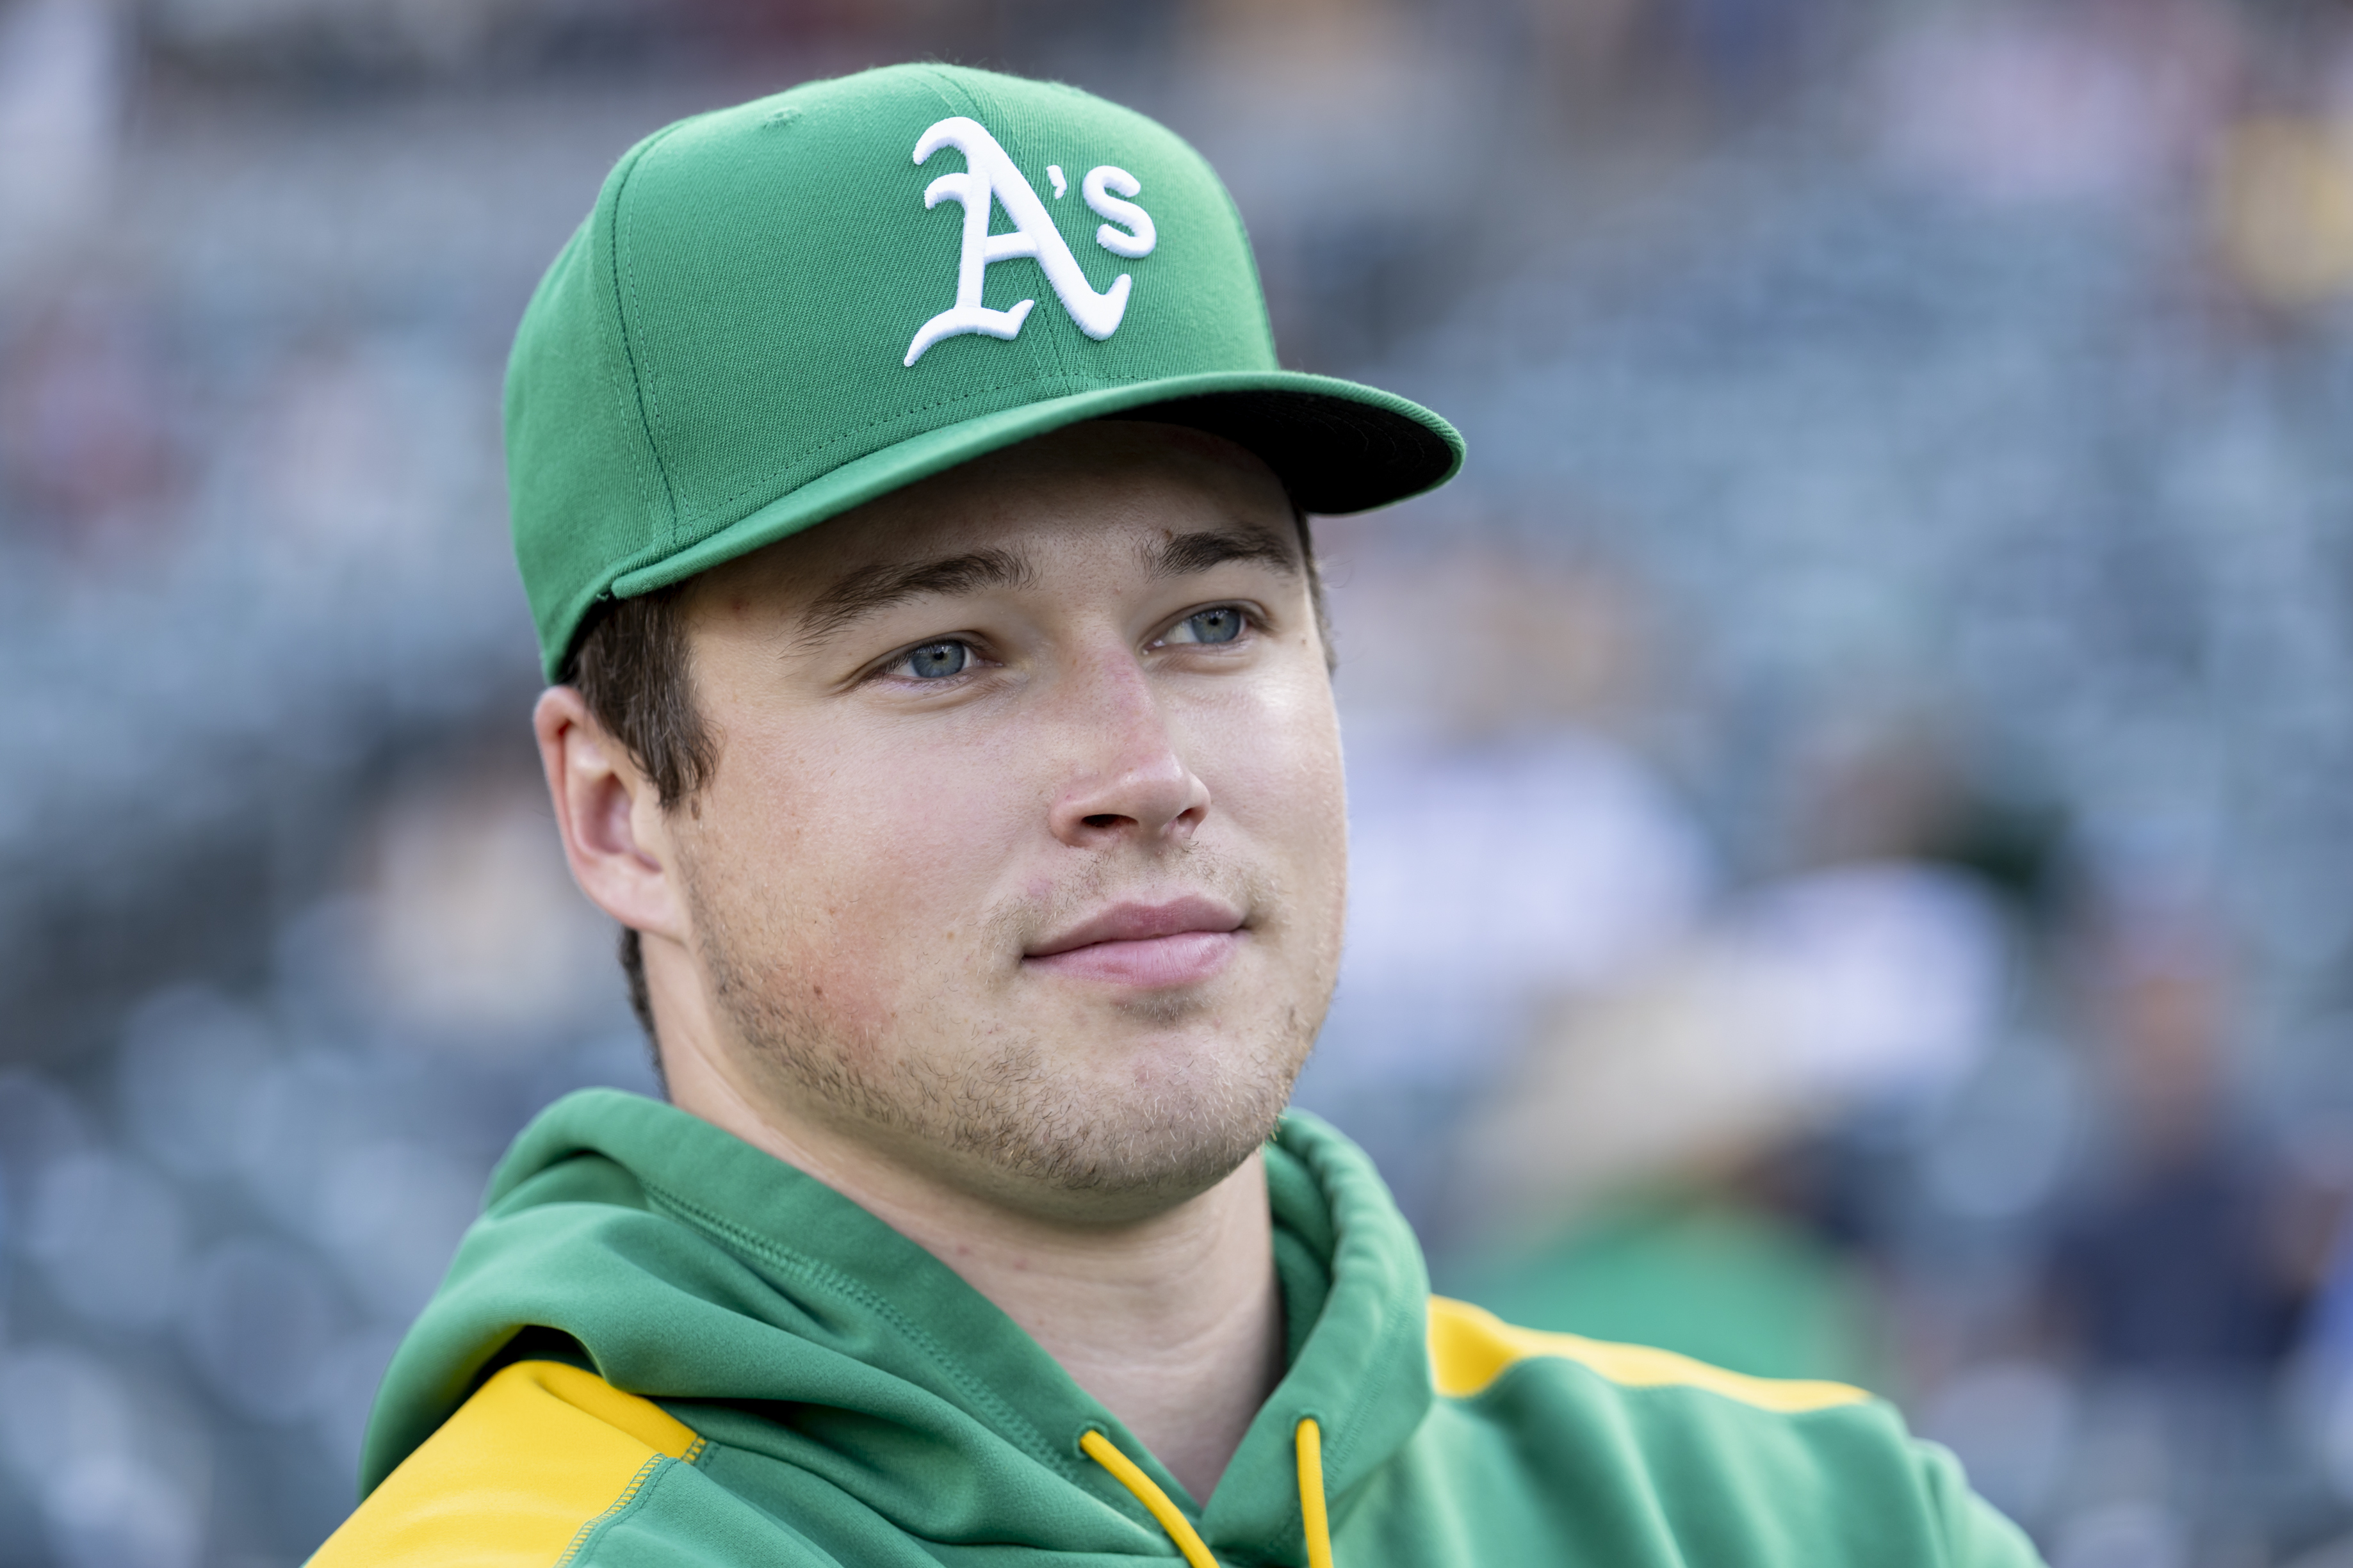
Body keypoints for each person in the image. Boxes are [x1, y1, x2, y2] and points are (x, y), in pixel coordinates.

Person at [309, 63, 2044, 1566]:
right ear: (619, 814)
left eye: (1212, 620)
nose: (1144, 765)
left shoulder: (1801, 1519)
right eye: (942, 653)